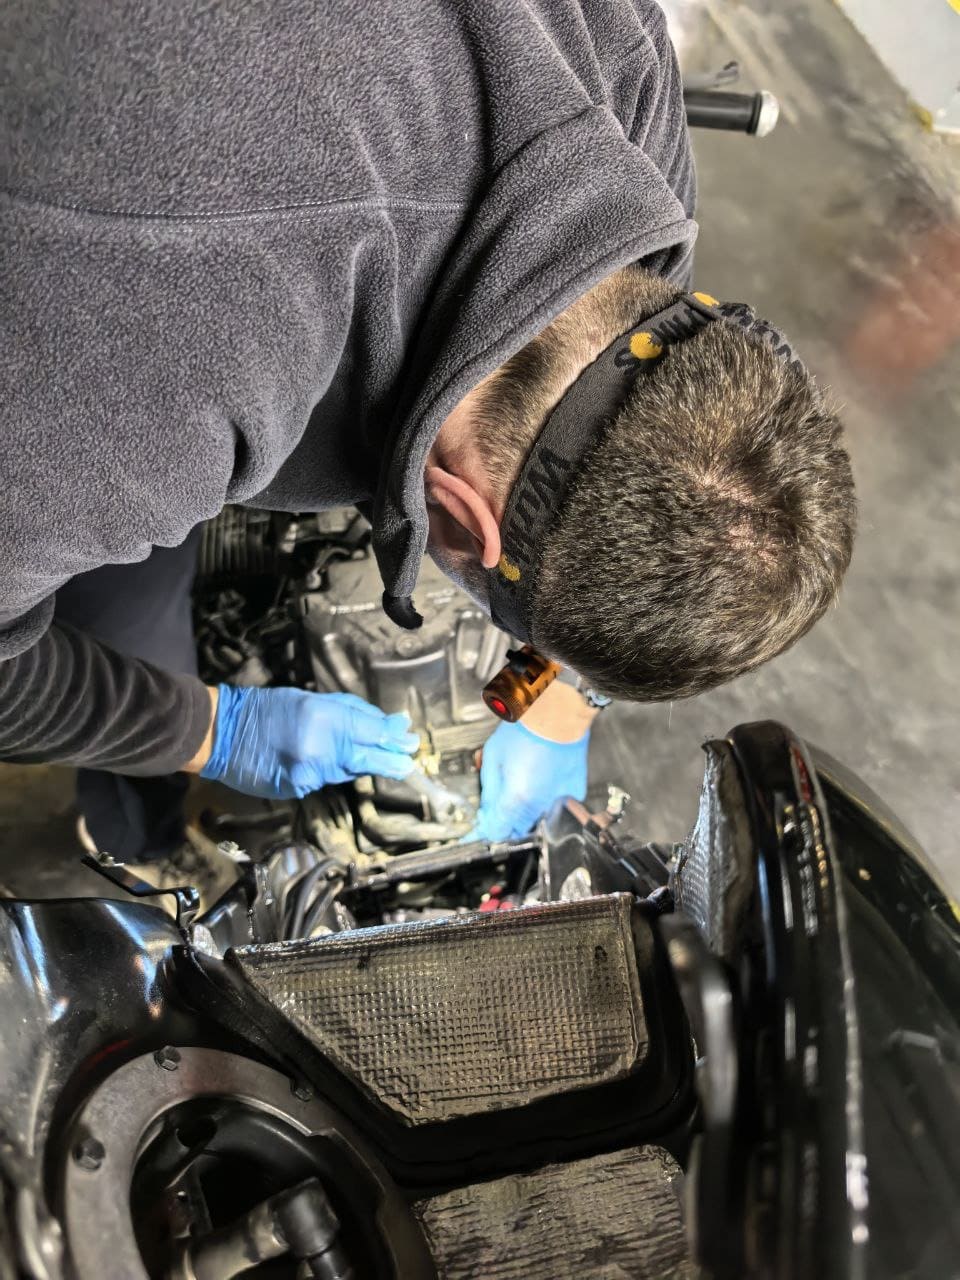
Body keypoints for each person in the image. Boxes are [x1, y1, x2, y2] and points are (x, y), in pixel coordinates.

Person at [0, 0, 855, 886]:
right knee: (119, 602)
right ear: (458, 515)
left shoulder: (619, 66)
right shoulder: (164, 375)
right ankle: (130, 837)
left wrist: (563, 698)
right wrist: (209, 731)